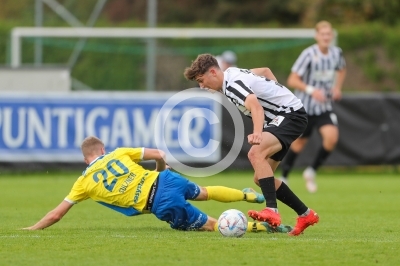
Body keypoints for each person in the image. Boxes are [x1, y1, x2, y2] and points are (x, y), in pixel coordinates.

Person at [22, 136, 292, 234]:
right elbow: (160, 155)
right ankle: (248, 197)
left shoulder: (82, 182)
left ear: (85, 158)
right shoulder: (118, 153)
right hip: (165, 179)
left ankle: (265, 227)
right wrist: (161, 172)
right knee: (205, 192)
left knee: (212, 225)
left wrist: (32, 228)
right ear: (102, 149)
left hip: (159, 202)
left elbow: (57, 214)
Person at [184, 54, 319, 236]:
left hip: (290, 115)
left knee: (255, 153)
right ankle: (305, 214)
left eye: (201, 80)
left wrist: (257, 132)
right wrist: (277, 92)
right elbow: (265, 71)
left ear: (213, 72)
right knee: (261, 178)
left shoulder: (232, 85)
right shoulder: (232, 73)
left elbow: (255, 106)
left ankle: (272, 210)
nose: (201, 86)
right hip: (286, 117)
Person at [280, 21, 346, 193]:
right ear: (317, 36)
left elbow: (342, 69)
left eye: (328, 34)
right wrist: (311, 90)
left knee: (332, 138)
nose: (325, 37)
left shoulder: (336, 53)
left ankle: (311, 171)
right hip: (305, 108)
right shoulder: (308, 54)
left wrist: (337, 87)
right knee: (298, 144)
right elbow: (292, 79)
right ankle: (284, 177)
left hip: (324, 107)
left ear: (331, 36)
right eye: (322, 34)